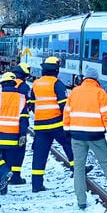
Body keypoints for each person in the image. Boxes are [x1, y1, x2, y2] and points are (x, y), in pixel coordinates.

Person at [63, 67, 107, 210]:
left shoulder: (75, 92)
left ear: (84, 78)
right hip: (95, 135)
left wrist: (66, 129)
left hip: (76, 134)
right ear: (96, 79)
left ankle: (81, 201)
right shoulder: (100, 92)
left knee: (78, 167)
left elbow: (67, 112)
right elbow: (106, 114)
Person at [28, 56, 82, 192]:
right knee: (68, 143)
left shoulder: (36, 84)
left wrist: (40, 114)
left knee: (39, 154)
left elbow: (31, 104)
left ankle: (36, 185)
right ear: (56, 71)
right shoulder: (57, 84)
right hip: (56, 123)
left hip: (40, 125)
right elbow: (64, 105)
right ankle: (76, 169)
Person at [0, 72, 30, 194]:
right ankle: (3, 185)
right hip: (13, 137)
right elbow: (24, 119)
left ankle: (3, 173)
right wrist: (22, 135)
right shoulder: (22, 98)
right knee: (8, 161)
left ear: (2, 84)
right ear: (14, 84)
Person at [9, 62, 32, 185]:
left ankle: (6, 173)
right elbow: (29, 103)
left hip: (5, 123)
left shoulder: (7, 84)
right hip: (19, 123)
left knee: (7, 151)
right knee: (19, 150)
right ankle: (15, 176)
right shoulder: (24, 87)